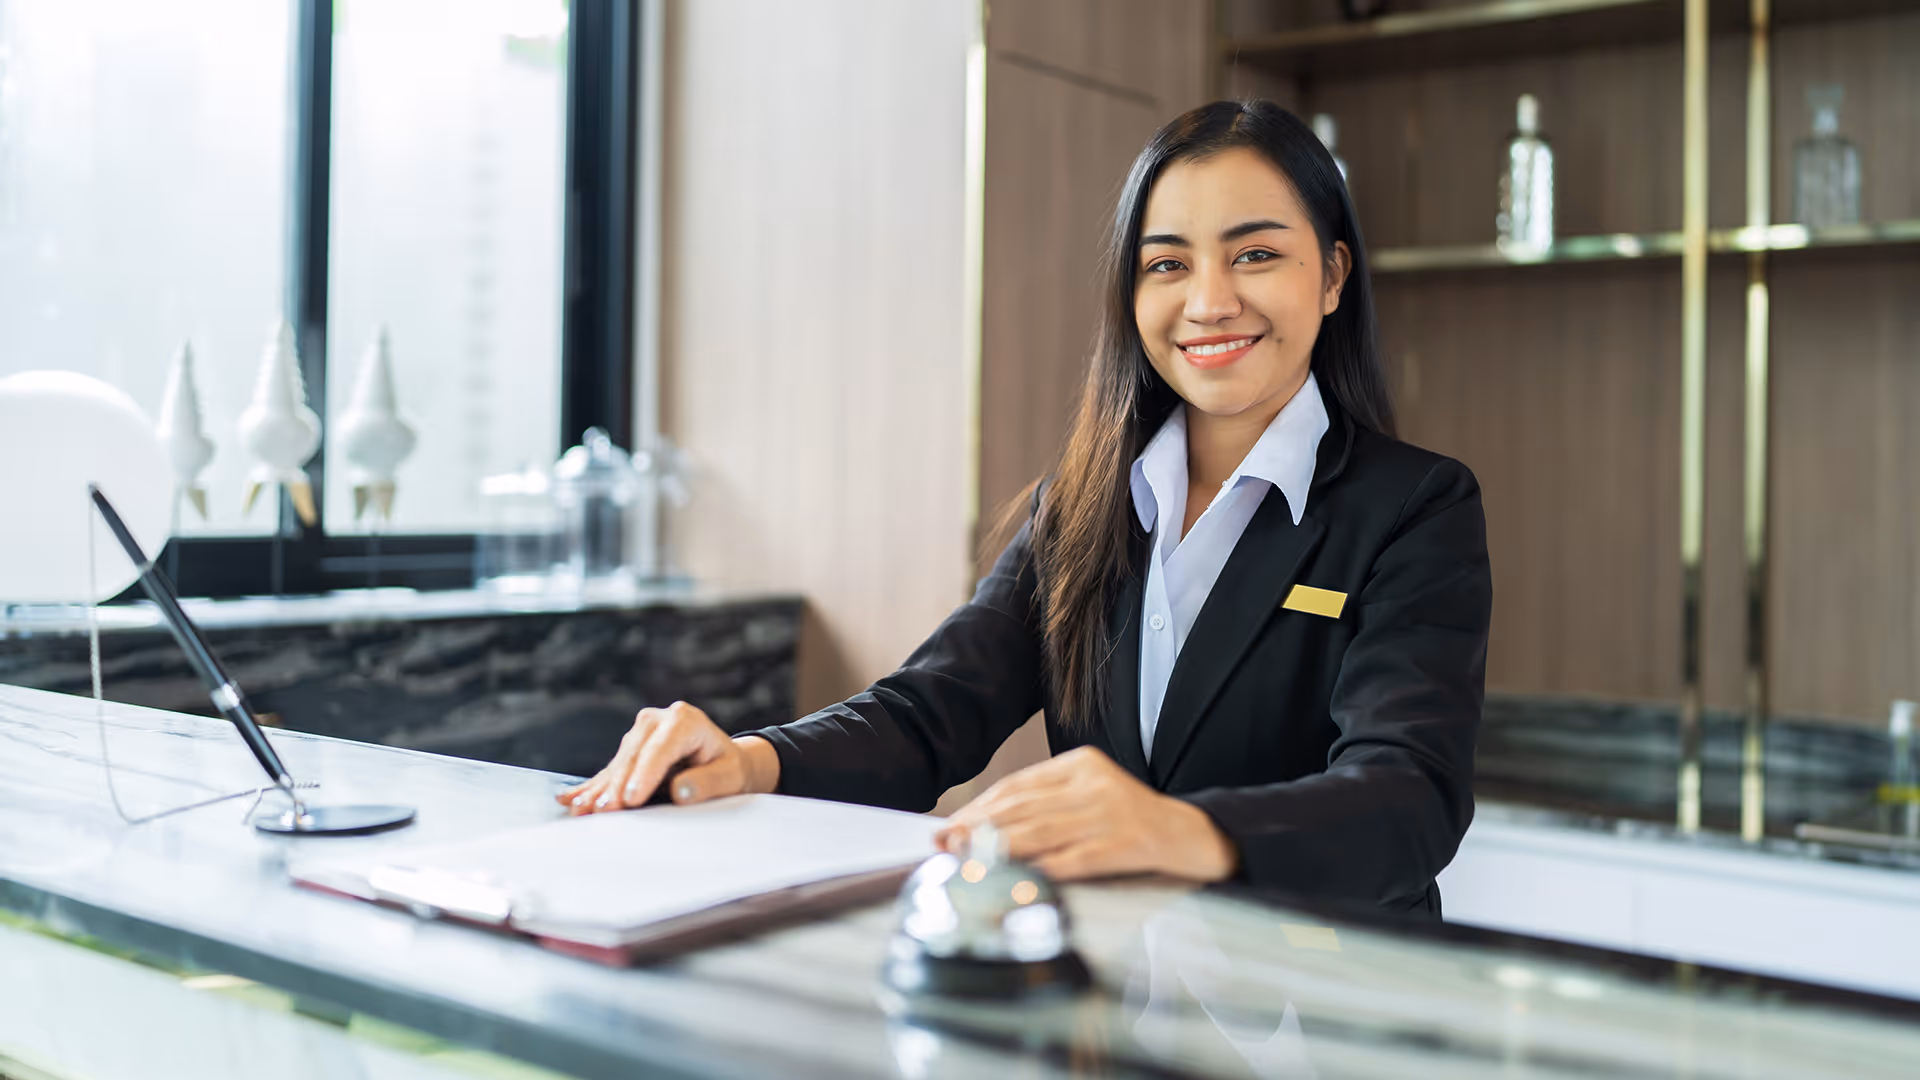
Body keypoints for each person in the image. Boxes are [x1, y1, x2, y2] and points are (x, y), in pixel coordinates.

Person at [558, 99, 1491, 917]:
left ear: (1331, 276)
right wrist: (752, 760)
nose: (1209, 301)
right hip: (1121, 988)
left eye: (1255, 254)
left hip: (1324, 1011)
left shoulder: (1414, 505)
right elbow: (932, 712)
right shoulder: (1084, 500)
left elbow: (1408, 796)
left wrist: (1174, 831)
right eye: (1166, 265)